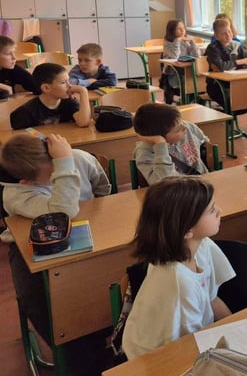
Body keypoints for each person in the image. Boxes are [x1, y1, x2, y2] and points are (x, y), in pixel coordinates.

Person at [1, 133, 111, 347]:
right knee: (40, 298)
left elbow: (103, 188)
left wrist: (67, 160)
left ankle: (105, 329)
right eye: (53, 174)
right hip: (29, 243)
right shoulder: (16, 194)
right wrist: (64, 165)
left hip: (86, 229)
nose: (58, 176)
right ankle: (71, 346)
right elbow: (64, 212)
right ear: (27, 182)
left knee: (106, 275)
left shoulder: (78, 157)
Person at [122, 177, 235, 359]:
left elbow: (212, 298)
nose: (219, 211)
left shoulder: (202, 246)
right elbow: (188, 349)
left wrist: (235, 328)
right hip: (157, 359)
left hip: (193, 341)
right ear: (187, 230)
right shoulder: (179, 283)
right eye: (212, 210)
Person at [132, 103, 209, 184]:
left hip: (202, 182)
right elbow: (163, 184)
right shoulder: (145, 154)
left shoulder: (188, 128)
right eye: (178, 130)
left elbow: (206, 146)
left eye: (182, 122)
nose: (185, 127)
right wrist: (160, 145)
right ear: (160, 137)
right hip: (177, 189)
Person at [10, 63, 91, 130]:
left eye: (68, 81)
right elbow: (24, 136)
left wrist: (83, 91)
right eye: (63, 83)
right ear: (46, 88)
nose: (70, 86)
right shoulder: (26, 112)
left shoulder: (70, 102)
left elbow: (83, 123)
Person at [204, 18, 247, 108]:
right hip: (218, 84)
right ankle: (228, 114)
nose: (228, 35)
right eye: (223, 33)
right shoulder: (213, 48)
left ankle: (229, 113)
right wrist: (238, 62)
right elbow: (221, 66)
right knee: (231, 103)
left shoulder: (237, 46)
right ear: (216, 36)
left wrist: (238, 68)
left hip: (237, 81)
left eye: (229, 31)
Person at [160, 19, 200, 104]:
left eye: (183, 28)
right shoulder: (168, 44)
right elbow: (175, 56)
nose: (182, 31)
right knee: (190, 83)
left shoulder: (186, 42)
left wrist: (192, 42)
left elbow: (197, 56)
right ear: (172, 31)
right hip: (174, 74)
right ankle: (186, 102)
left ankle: (193, 101)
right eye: (179, 29)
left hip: (187, 71)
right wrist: (177, 41)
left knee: (200, 81)